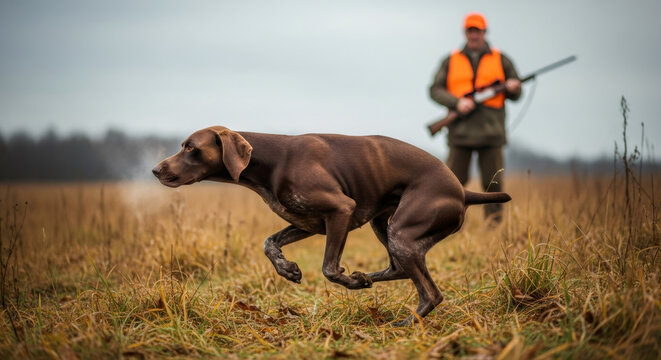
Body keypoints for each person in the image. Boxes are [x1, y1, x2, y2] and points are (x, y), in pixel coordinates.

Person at [429, 12, 521, 223]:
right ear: (465, 32)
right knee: (451, 183)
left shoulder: (501, 59)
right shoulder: (450, 60)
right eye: (470, 31)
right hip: (460, 133)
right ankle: (446, 223)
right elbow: (434, 89)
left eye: (477, 31)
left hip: (491, 134)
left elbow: (516, 94)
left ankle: (494, 227)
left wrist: (513, 88)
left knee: (493, 183)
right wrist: (457, 103)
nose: (474, 35)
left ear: (484, 32)